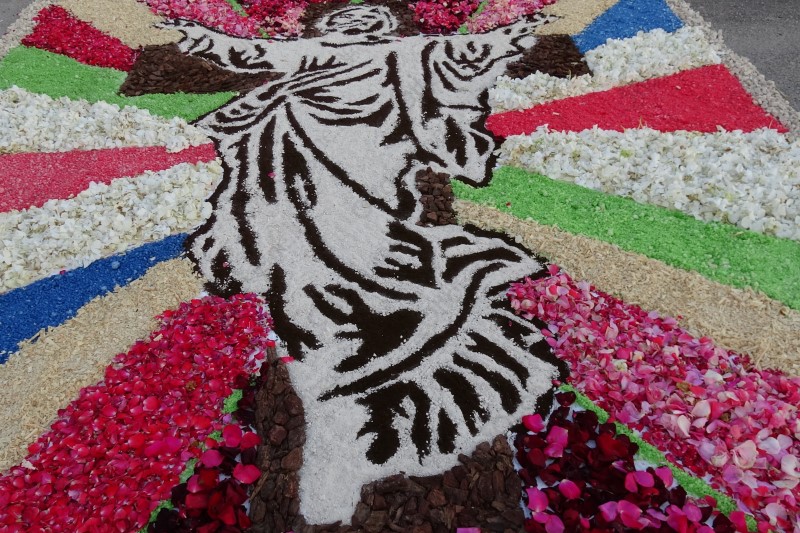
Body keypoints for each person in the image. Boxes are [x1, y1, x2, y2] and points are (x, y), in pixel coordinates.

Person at [178, 3, 559, 521]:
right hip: (307, 161)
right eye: (345, 21)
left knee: (372, 244)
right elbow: (251, 53)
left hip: (371, 162)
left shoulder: (409, 52)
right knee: (306, 246)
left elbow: (469, 50)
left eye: (368, 21)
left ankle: (370, 336)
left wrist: (513, 33)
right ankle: (324, 324)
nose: (355, 24)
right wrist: (201, 38)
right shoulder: (312, 53)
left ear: (383, 30)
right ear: (330, 29)